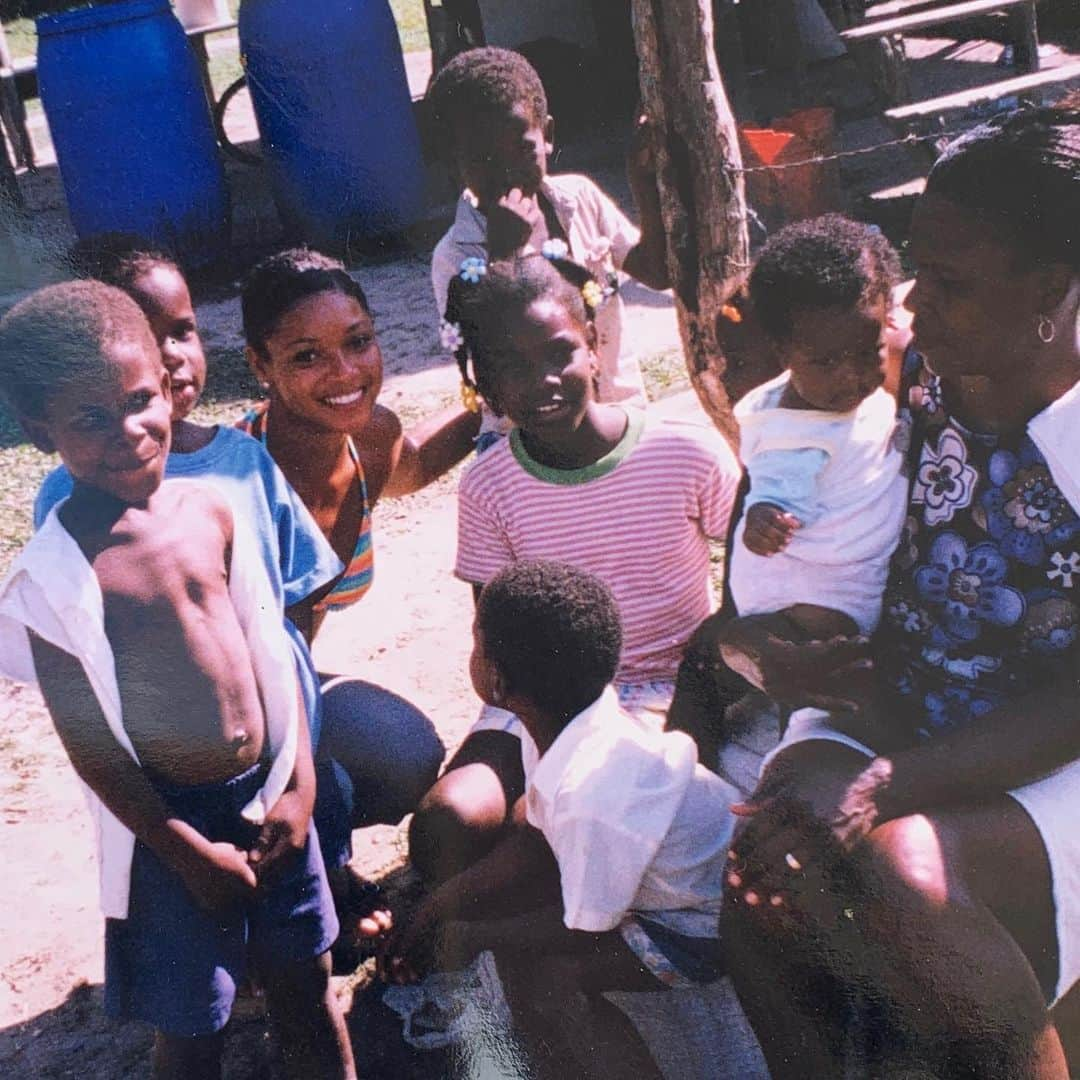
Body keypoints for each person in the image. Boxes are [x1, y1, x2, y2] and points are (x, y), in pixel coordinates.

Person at [718, 102, 1080, 1078]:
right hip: (891, 714)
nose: (912, 307)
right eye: (915, 266)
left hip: (1051, 751)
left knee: (901, 870)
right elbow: (742, 609)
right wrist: (768, 651)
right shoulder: (878, 384)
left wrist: (881, 787)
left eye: (952, 284)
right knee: (761, 883)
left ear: (1051, 291)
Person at [34, 245, 443, 951]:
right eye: (140, 337)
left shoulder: (241, 462)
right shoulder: (69, 501)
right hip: (164, 751)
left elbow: (293, 626)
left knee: (356, 782)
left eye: (182, 330)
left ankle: (325, 879)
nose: (168, 358)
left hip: (270, 718)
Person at [0, 282, 355, 1078]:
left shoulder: (215, 510)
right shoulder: (57, 573)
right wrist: (180, 847)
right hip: (168, 832)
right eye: (89, 419)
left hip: (272, 803)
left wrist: (296, 786)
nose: (128, 432)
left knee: (308, 991)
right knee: (195, 1026)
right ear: (37, 430)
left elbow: (272, 651)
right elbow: (89, 743)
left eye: (138, 400)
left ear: (167, 386)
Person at [409, 254, 740, 882]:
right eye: (509, 368)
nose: (541, 382)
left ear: (594, 344)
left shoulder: (684, 452)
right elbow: (497, 639)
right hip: (537, 698)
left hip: (664, 688)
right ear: (482, 381)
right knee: (447, 823)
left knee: (539, 835)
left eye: (558, 352)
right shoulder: (489, 484)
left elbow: (753, 581)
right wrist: (540, 726)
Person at [383, 560, 738, 1080]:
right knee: (521, 847)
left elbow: (583, 930)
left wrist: (471, 934)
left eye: (477, 642)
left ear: (498, 680)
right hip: (685, 889)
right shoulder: (568, 724)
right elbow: (537, 837)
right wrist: (439, 906)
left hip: (700, 931)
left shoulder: (590, 793)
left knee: (551, 984)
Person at [238, 248, 480, 919]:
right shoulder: (237, 484)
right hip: (222, 713)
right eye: (307, 356)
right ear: (262, 367)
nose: (345, 373)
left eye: (358, 342)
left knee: (407, 754)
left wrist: (496, 398)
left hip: (293, 689)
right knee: (328, 793)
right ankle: (305, 883)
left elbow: (416, 464)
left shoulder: (367, 440)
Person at [668, 216, 908, 768]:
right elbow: (771, 492)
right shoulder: (792, 433)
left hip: (851, 582)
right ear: (785, 352)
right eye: (826, 362)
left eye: (867, 350)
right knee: (812, 676)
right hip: (815, 594)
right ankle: (694, 773)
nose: (852, 376)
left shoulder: (853, 391)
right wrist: (766, 519)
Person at [426, 46, 669, 446]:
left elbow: (656, 272)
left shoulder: (579, 201)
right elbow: (486, 364)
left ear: (548, 137)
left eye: (522, 149)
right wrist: (504, 257)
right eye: (483, 158)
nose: (507, 172)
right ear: (454, 166)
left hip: (617, 419)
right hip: (523, 440)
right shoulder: (455, 256)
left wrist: (642, 184)